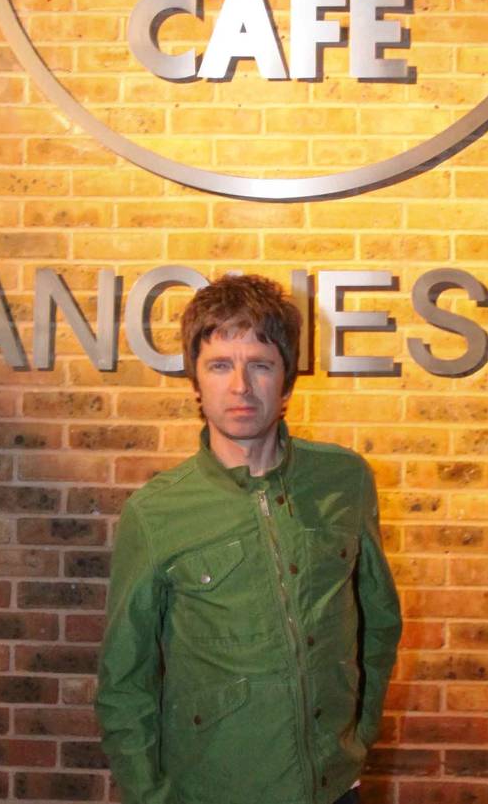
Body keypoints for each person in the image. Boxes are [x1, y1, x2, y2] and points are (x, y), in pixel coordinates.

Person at [95, 273, 402, 804]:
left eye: (260, 365)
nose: (240, 386)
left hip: (332, 788)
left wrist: (359, 737)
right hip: (215, 789)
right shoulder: (157, 513)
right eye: (220, 365)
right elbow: (125, 681)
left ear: (286, 385)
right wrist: (151, 797)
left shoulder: (344, 482)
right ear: (195, 382)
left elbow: (379, 621)